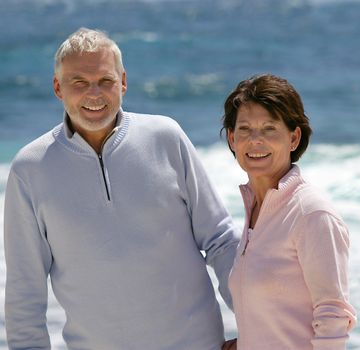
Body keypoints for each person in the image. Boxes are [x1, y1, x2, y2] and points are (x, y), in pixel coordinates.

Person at [3, 27, 240, 350]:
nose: (94, 93)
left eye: (105, 81)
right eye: (79, 83)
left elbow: (221, 241)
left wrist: (258, 326)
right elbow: (25, 290)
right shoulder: (30, 169)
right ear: (58, 88)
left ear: (123, 82)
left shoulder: (166, 138)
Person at [221, 74, 357, 350]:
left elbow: (333, 319)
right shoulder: (255, 209)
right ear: (233, 139)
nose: (255, 140)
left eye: (269, 129)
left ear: (294, 138)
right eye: (245, 129)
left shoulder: (312, 213)